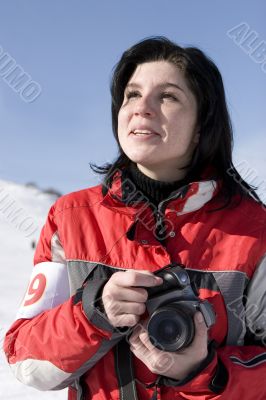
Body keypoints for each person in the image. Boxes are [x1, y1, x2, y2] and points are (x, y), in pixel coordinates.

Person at [4, 36, 266, 400]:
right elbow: (25, 362)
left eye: (168, 96)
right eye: (132, 95)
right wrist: (93, 312)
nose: (142, 108)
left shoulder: (256, 232)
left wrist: (205, 372)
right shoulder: (70, 219)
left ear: (202, 125)